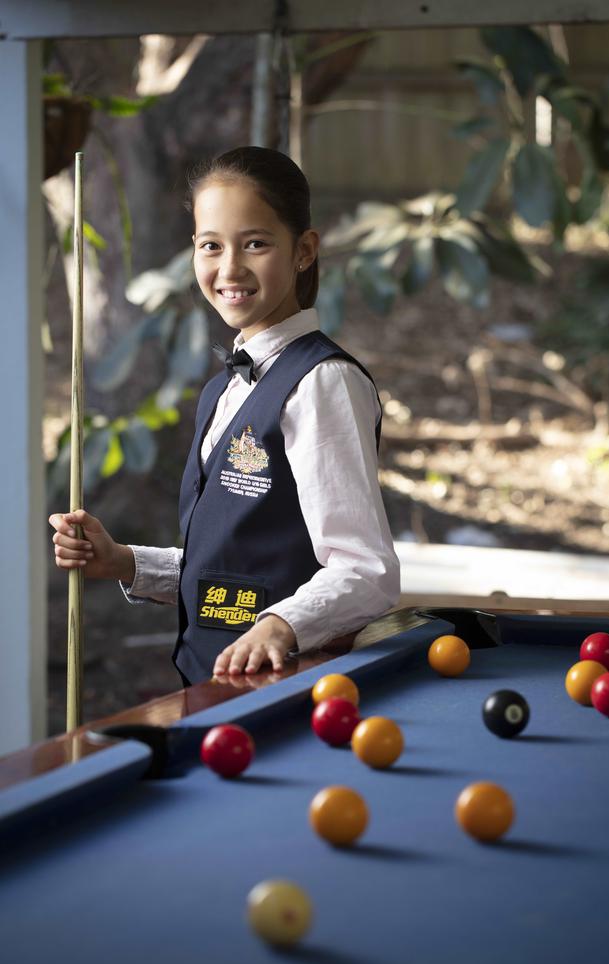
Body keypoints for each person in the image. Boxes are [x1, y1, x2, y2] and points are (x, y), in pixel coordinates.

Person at [49, 145, 400, 684]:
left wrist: (282, 625)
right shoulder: (222, 390)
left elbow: (366, 572)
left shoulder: (323, 382)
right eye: (211, 245)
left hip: (289, 689)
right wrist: (125, 561)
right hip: (217, 687)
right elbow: (233, 571)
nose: (229, 267)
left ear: (304, 250)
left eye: (255, 243)